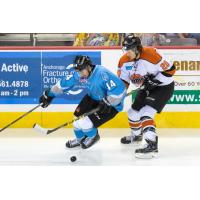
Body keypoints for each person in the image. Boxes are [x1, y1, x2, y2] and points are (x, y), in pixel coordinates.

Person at [39, 55, 126, 149]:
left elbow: (120, 88)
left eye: (81, 70)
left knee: (85, 123)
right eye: (78, 70)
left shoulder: (102, 73)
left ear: (88, 66)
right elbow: (65, 83)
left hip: (109, 105)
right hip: (92, 98)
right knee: (76, 120)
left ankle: (93, 136)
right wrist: (49, 94)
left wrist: (110, 101)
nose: (80, 73)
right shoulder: (81, 73)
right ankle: (80, 139)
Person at [118, 34, 175, 158]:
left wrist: (155, 80)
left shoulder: (150, 54)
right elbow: (124, 82)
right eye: (125, 49)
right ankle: (136, 135)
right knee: (132, 113)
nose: (127, 52)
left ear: (137, 48)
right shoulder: (123, 61)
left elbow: (171, 70)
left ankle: (151, 143)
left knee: (145, 112)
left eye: (130, 49)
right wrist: (118, 96)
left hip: (163, 87)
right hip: (146, 88)